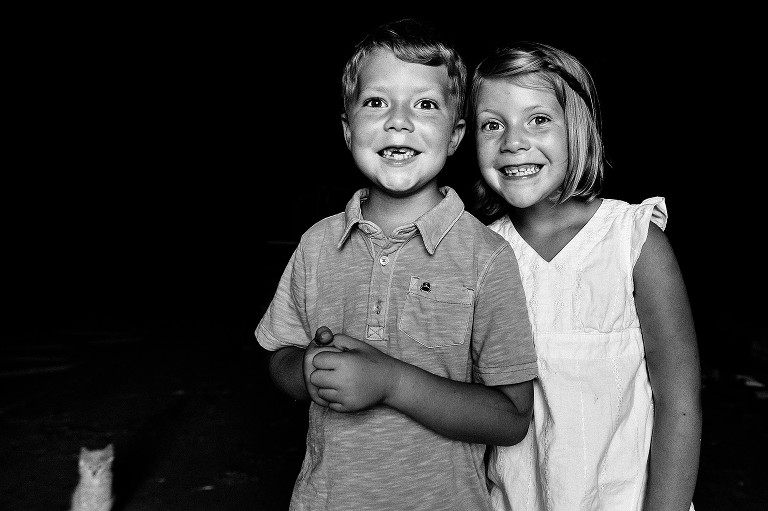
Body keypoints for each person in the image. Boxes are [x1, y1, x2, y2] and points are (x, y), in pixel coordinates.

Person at [255, 19, 538, 511]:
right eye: (376, 101)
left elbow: (511, 417)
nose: (399, 121)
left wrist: (392, 383)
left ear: (455, 135)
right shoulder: (318, 245)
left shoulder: (486, 258)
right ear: (348, 130)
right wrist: (306, 369)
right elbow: (278, 354)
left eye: (425, 104)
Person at [468, 42, 702, 510]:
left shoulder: (632, 241)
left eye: (538, 119)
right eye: (492, 124)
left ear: (577, 126)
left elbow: (679, 403)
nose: (513, 141)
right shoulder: (478, 253)